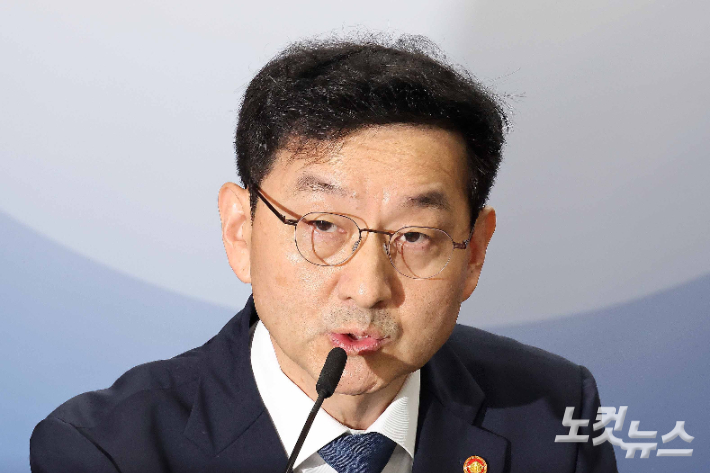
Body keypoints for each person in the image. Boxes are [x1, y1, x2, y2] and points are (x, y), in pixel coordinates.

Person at [30, 36, 618, 473]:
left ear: (475, 253)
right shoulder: (109, 450)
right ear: (240, 231)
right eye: (324, 225)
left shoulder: (553, 410)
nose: (368, 287)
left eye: (415, 236)